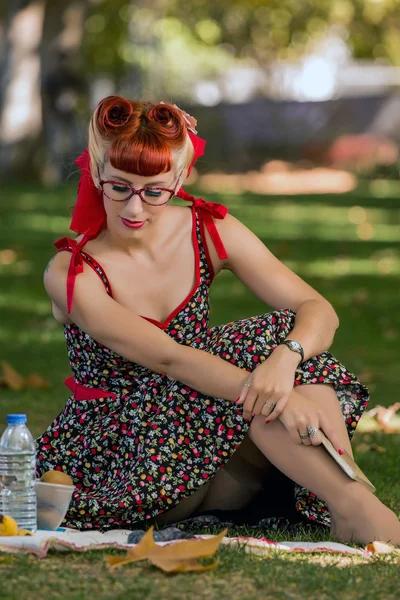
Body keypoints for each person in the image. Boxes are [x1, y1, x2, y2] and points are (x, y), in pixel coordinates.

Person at [36, 96, 400, 545]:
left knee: (284, 337)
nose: (135, 209)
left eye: (154, 192)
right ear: (95, 174)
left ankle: (352, 500)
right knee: (255, 341)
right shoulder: (70, 272)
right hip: (123, 462)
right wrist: (277, 396)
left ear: (180, 179)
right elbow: (171, 359)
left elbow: (317, 309)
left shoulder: (207, 228)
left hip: (213, 444)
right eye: (119, 188)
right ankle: (356, 506)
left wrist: (284, 363)